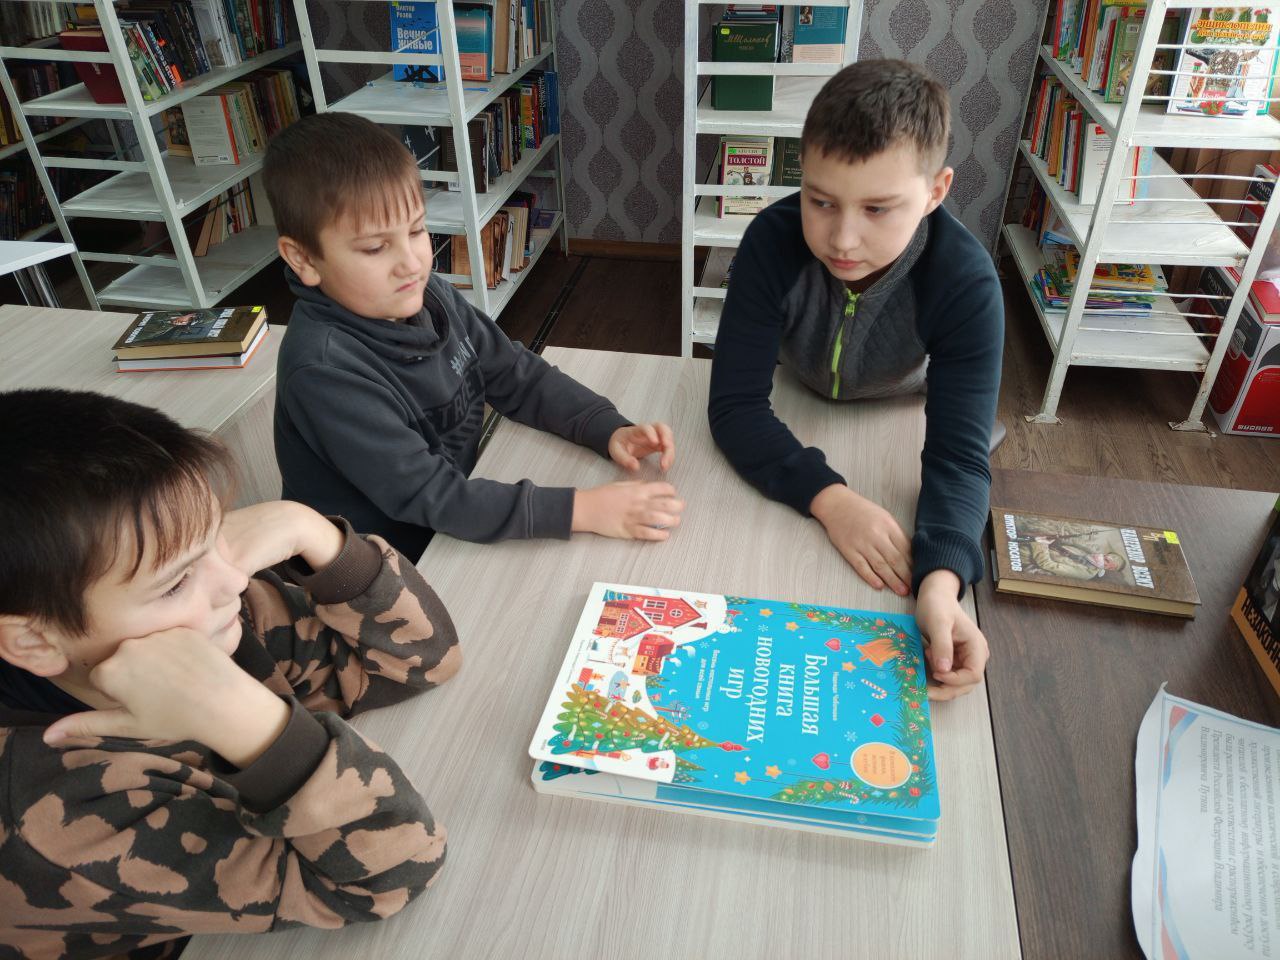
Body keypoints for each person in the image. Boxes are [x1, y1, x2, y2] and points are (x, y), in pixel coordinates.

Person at [0, 388, 461, 958]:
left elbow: (419, 659)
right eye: (176, 582)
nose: (235, 582)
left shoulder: (214, 618)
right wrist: (251, 725)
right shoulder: (52, 815)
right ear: (35, 641)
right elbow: (392, 873)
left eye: (215, 539)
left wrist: (308, 530)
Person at [708, 60, 1003, 702]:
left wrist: (942, 584)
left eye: (877, 208)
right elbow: (735, 407)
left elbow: (958, 457)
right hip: (794, 400)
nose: (842, 238)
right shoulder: (770, 242)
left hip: (902, 407)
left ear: (936, 191)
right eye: (820, 201)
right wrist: (831, 499)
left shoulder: (967, 282)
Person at [263, 112, 683, 561]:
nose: (412, 262)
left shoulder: (427, 294)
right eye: (375, 247)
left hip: (449, 527)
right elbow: (433, 496)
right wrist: (583, 510)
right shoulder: (323, 370)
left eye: (416, 230)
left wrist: (607, 428)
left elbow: (515, 374)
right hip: (383, 565)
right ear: (303, 259)